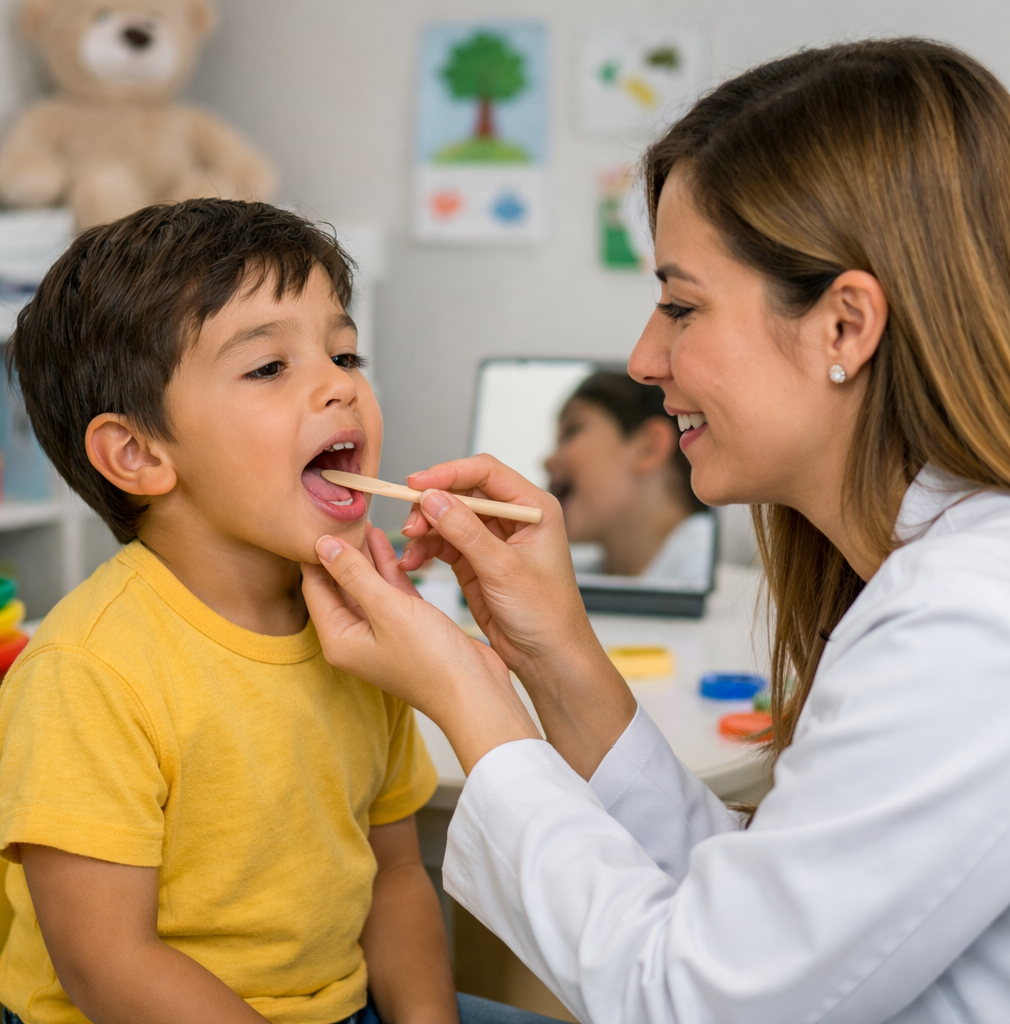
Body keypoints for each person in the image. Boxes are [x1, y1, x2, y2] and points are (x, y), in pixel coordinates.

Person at [301, 39, 1010, 1024]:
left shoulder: (968, 624)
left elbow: (698, 998)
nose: (642, 357)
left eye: (680, 305)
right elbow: (759, 916)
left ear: (845, 327)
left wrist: (471, 695)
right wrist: (552, 654)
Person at [0, 200, 557, 1024]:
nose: (341, 385)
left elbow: (396, 874)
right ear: (138, 454)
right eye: (268, 368)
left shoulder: (368, 636)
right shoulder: (87, 673)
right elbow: (108, 964)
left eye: (344, 353)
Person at [545, 371, 713, 583]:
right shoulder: (572, 576)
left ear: (648, 448)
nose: (547, 460)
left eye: (571, 431)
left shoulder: (706, 565)